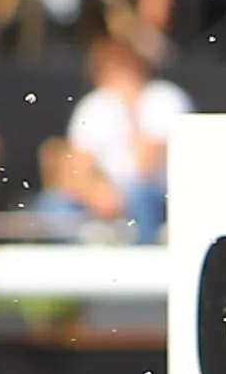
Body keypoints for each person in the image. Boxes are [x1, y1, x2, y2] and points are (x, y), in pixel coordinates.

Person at [43, 27, 186, 236]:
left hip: (156, 195)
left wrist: (132, 108)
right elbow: (76, 167)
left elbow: (145, 167)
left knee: (139, 196)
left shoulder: (164, 98)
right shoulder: (94, 105)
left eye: (123, 65)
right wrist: (95, 193)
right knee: (53, 205)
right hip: (106, 193)